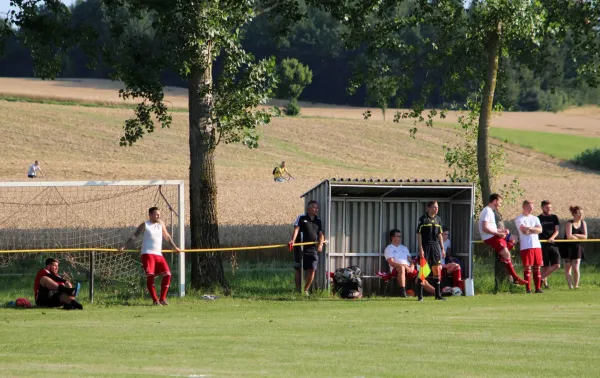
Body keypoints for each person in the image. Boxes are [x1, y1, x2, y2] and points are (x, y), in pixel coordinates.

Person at [119, 207, 181, 305]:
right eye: (156, 214)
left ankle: (163, 299)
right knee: (150, 276)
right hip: (147, 254)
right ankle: (155, 300)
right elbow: (134, 236)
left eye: (159, 214)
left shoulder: (161, 224)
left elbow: (167, 236)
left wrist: (175, 247)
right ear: (150, 215)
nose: (159, 216)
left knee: (167, 274)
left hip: (158, 254)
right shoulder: (145, 225)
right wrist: (124, 246)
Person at [479, 193, 527, 286]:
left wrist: (502, 230)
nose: (500, 204)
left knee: (514, 238)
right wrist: (498, 234)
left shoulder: (490, 211)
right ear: (495, 201)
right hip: (490, 237)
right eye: (500, 202)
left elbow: (491, 227)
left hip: (494, 235)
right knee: (507, 255)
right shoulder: (487, 211)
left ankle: (502, 257)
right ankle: (516, 279)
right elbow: (484, 228)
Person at [289, 200, 325, 295]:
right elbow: (296, 229)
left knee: (312, 269)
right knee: (298, 269)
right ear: (309, 208)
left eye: (317, 208)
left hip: (312, 248)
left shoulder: (318, 220)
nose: (316, 209)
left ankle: (305, 290)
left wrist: (320, 244)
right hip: (300, 247)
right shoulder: (301, 218)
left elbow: (321, 234)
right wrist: (292, 240)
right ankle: (298, 291)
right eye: (314, 207)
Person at [416, 201, 446, 301]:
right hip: (426, 246)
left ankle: (438, 295)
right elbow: (419, 234)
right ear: (428, 208)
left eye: (437, 207)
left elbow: (440, 234)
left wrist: (442, 248)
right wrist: (420, 248)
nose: (436, 209)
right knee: (423, 270)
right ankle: (420, 296)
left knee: (437, 269)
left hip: (436, 246)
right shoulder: (423, 219)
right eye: (434, 207)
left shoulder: (438, 219)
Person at [515, 200, 544, 294]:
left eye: (532, 207)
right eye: (529, 207)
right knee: (527, 268)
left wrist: (530, 228)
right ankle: (528, 289)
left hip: (536, 245)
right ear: (524, 207)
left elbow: (540, 230)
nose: (531, 209)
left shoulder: (535, 218)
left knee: (537, 267)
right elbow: (524, 231)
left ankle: (538, 288)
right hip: (526, 246)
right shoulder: (519, 218)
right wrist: (533, 229)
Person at [384, 229, 417, 297]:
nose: (399, 238)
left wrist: (412, 266)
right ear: (392, 237)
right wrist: (405, 266)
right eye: (397, 236)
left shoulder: (404, 248)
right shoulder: (389, 248)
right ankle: (403, 292)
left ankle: (437, 293)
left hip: (408, 268)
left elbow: (410, 260)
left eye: (400, 236)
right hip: (396, 269)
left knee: (422, 277)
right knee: (401, 268)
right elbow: (392, 263)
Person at [560, 206, 587, 289]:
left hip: (577, 247)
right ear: (574, 214)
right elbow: (569, 236)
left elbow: (585, 236)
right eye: (579, 213)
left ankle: (576, 285)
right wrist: (578, 237)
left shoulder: (583, 223)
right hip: (568, 247)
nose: (581, 215)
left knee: (576, 268)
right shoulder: (569, 223)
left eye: (582, 213)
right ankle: (570, 286)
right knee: (568, 268)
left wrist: (576, 235)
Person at [538, 200, 561, 289]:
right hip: (542, 244)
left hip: (552, 243)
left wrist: (552, 238)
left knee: (557, 265)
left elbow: (557, 230)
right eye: (547, 207)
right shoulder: (538, 218)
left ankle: (540, 279)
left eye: (550, 207)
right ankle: (544, 284)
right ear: (542, 207)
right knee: (545, 266)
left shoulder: (554, 217)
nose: (549, 209)